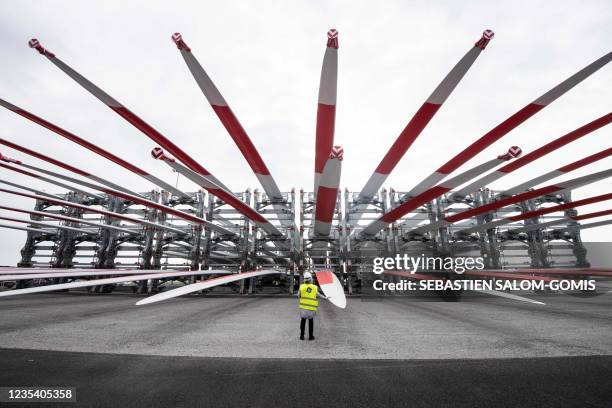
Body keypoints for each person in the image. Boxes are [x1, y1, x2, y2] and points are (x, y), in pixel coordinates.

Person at [298, 271, 328, 340]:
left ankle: (302, 336)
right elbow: (319, 295)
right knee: (310, 322)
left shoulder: (301, 287)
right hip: (311, 308)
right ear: (311, 279)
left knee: (303, 321)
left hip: (303, 308)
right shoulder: (314, 287)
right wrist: (325, 298)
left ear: (304, 279)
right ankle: (311, 336)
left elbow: (298, 295)